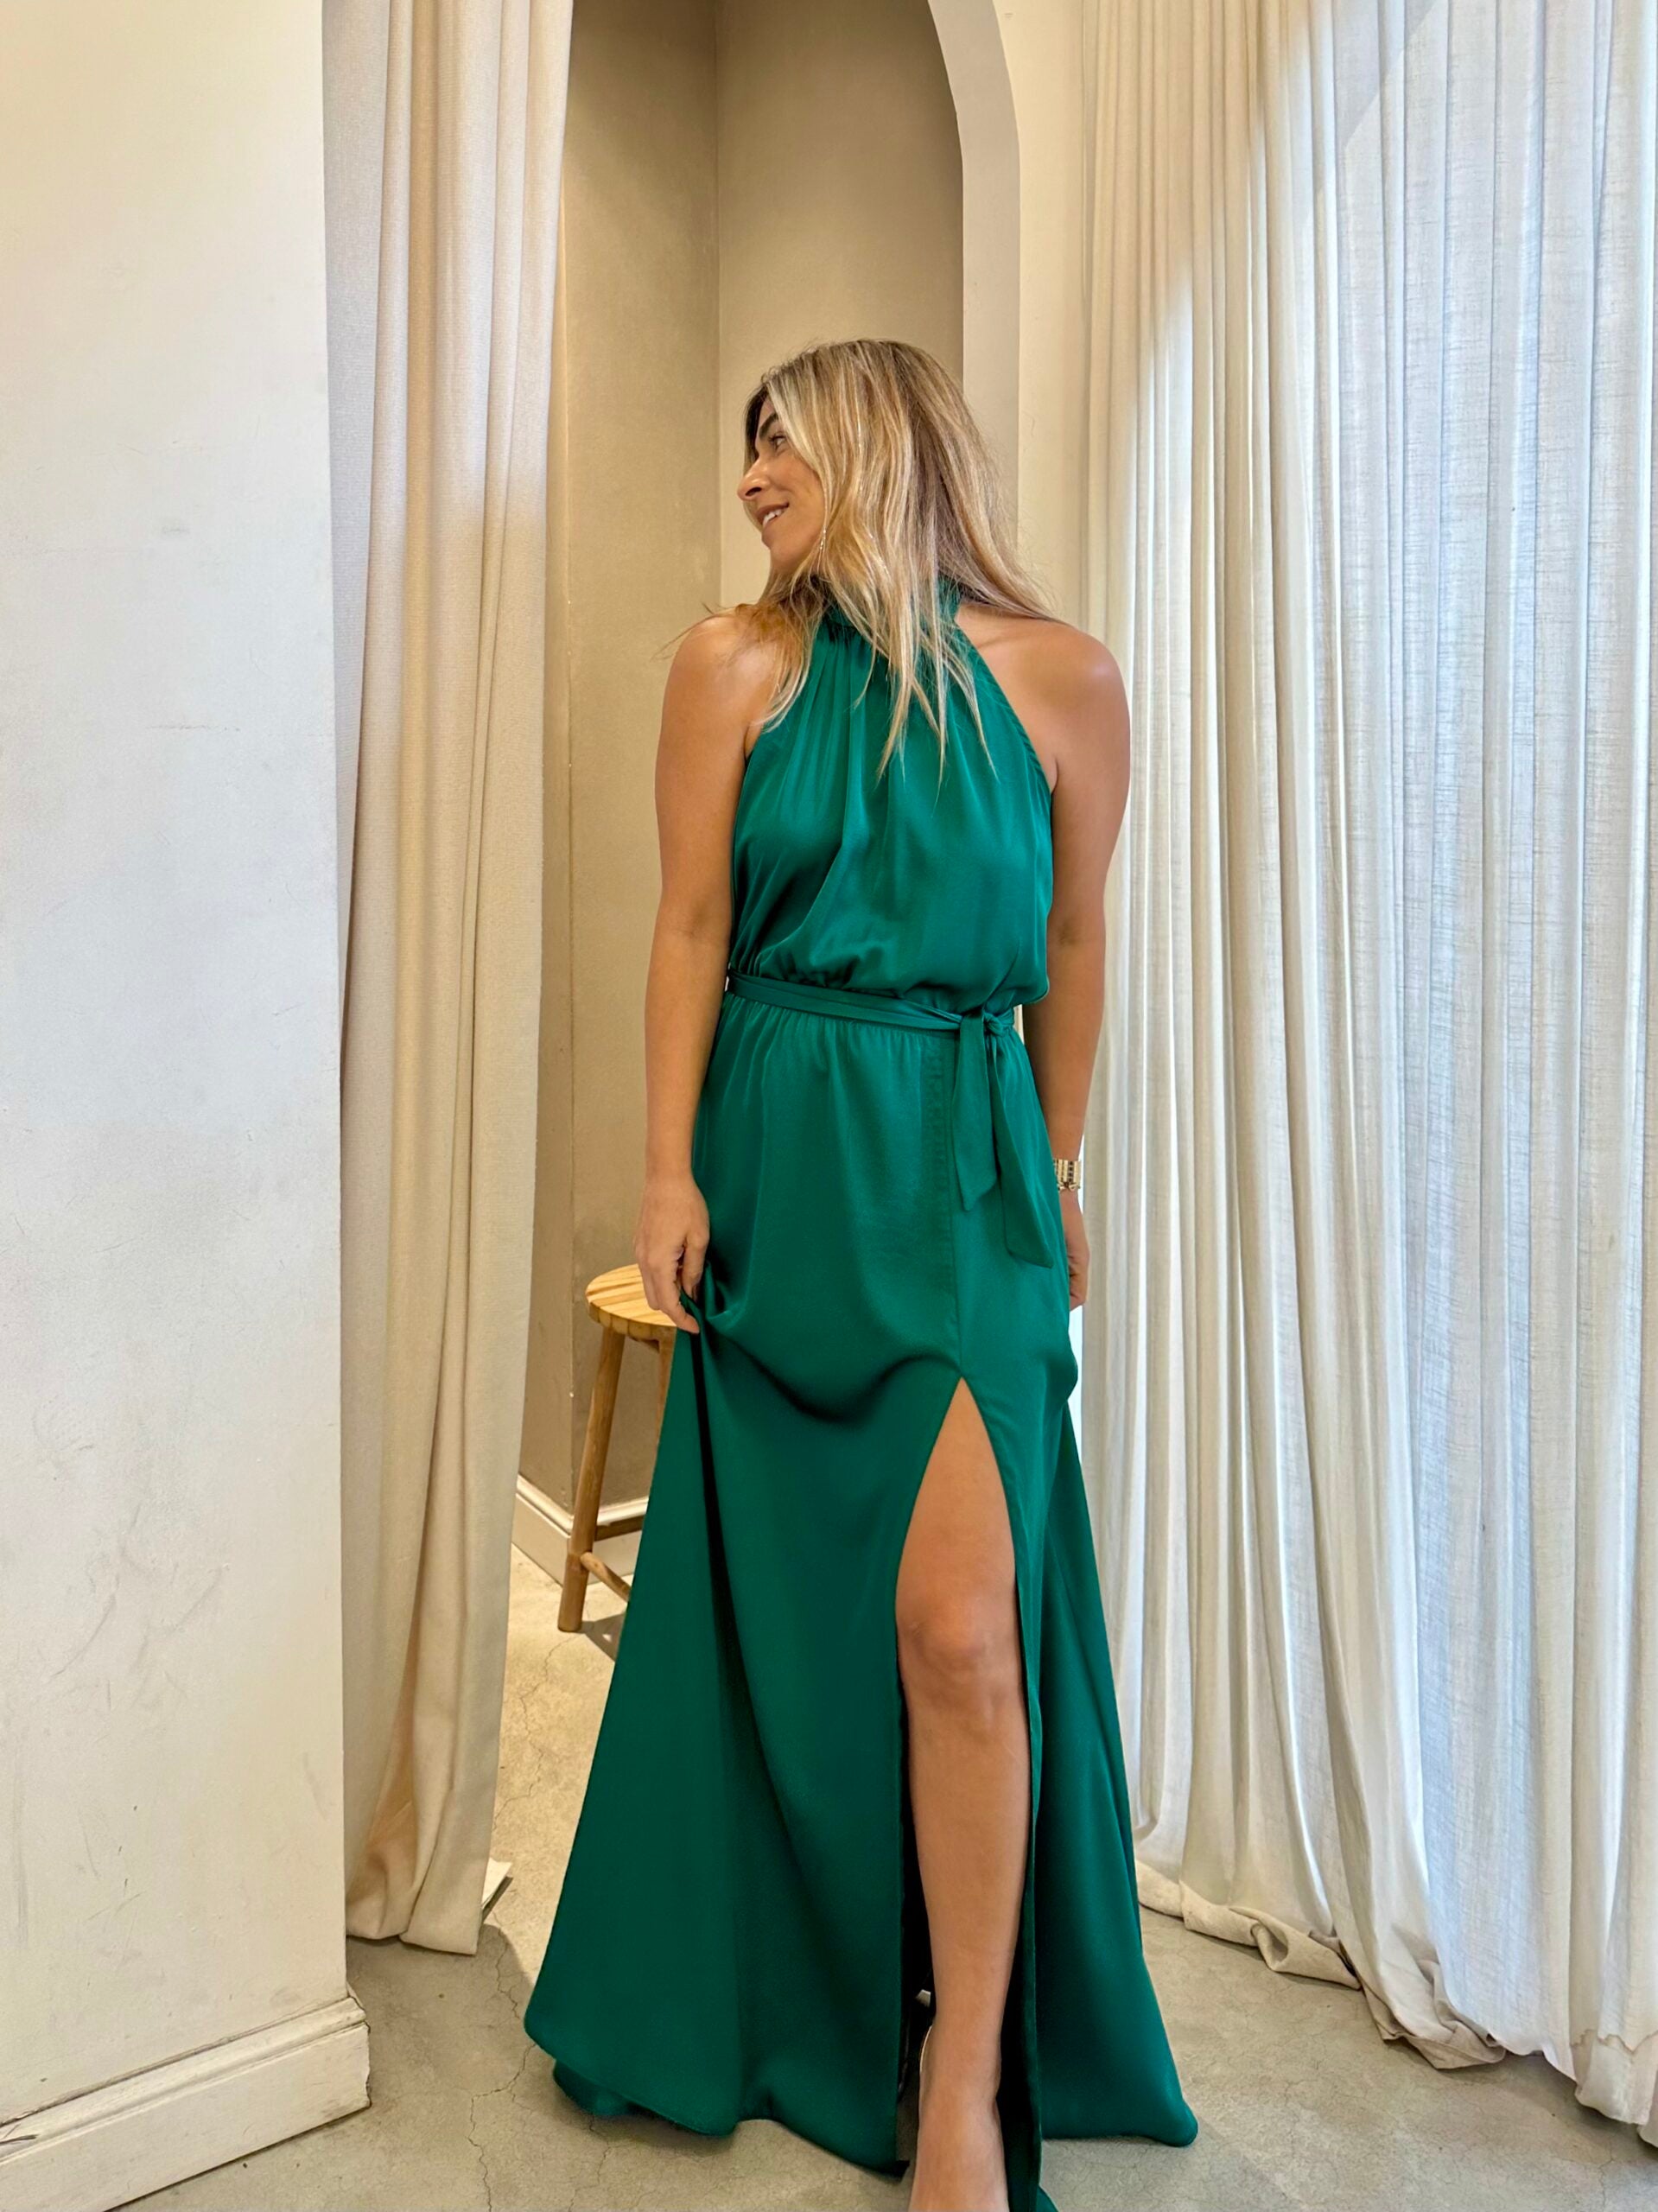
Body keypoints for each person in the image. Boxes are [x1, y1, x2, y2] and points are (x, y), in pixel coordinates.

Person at [523, 338, 1197, 2212]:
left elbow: (1075, 936)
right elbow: (687, 924)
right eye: (746, 449)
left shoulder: (1066, 681)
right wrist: (665, 1165)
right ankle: (794, 1983)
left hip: (964, 1175)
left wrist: (1060, 1166)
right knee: (789, 1614)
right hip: (778, 1168)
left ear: (887, 450)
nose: (752, 479)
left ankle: (963, 2077)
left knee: (964, 1634)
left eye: (785, 446)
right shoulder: (730, 666)